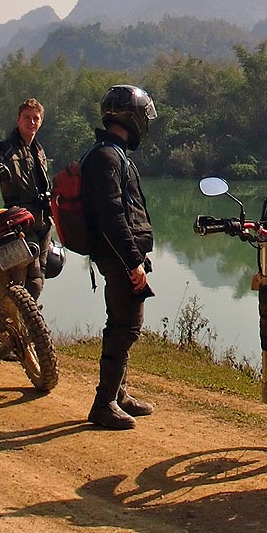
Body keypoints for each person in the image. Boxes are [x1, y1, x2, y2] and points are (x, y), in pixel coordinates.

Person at [81, 84, 158, 430]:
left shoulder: (114, 154)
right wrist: (132, 262)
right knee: (124, 326)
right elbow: (112, 217)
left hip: (123, 255)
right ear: (133, 117)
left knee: (126, 323)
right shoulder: (106, 158)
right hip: (119, 257)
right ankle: (104, 403)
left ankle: (119, 394)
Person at [0, 97, 54, 300]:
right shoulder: (5, 147)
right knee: (31, 278)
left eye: (36, 118)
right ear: (18, 119)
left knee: (41, 274)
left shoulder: (39, 150)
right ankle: (16, 319)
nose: (31, 122)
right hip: (19, 220)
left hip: (43, 221)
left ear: (41, 121)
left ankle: (22, 321)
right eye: (27, 117)